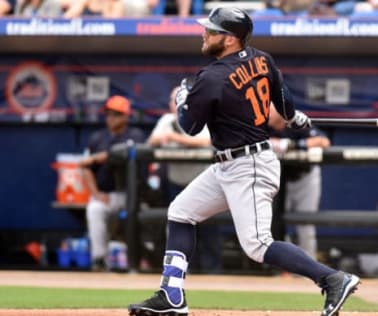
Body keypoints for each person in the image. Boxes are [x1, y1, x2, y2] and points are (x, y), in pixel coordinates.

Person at [128, 7, 359, 316]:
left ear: (230, 39)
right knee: (181, 213)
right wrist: (295, 117)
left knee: (258, 245)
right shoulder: (262, 59)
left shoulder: (211, 77)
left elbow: (190, 126)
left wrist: (184, 99)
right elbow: (284, 102)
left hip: (247, 164)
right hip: (231, 163)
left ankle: (332, 279)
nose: (204, 34)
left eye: (211, 31)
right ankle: (172, 294)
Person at [147, 86, 223, 273]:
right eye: (173, 101)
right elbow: (151, 142)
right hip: (176, 181)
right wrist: (165, 136)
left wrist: (174, 138)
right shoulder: (167, 120)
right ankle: (187, 272)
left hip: (203, 182)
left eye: (179, 100)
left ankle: (214, 274)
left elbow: (206, 142)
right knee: (182, 228)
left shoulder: (201, 118)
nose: (176, 105)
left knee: (208, 231)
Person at [80, 95, 145, 271]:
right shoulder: (97, 138)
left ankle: (139, 261)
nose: (111, 118)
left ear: (125, 116)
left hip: (130, 195)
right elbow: (85, 167)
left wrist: (101, 157)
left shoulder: (135, 135)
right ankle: (99, 259)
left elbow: (124, 153)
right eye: (108, 114)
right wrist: (95, 194)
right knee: (94, 209)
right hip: (105, 194)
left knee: (141, 217)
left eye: (116, 114)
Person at [268, 105, 331, 260]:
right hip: (277, 180)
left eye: (269, 108)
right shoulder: (259, 123)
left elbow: (324, 141)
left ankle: (310, 266)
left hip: (304, 177)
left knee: (305, 225)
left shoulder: (295, 120)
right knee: (273, 223)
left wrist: (293, 145)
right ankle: (280, 267)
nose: (266, 112)